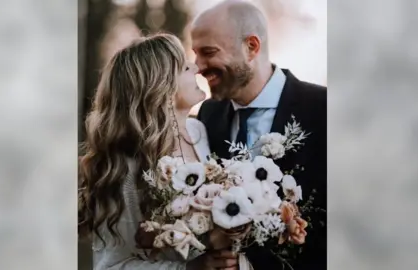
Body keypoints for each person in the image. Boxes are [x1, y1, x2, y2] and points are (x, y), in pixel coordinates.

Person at [78, 33, 239, 270]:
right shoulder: (126, 165)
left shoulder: (199, 131)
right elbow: (112, 265)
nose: (195, 67)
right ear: (161, 85)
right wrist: (190, 268)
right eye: (184, 67)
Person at [193, 1, 327, 269]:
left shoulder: (322, 109)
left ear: (251, 47)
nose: (198, 66)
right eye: (196, 54)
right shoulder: (207, 116)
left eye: (208, 52)